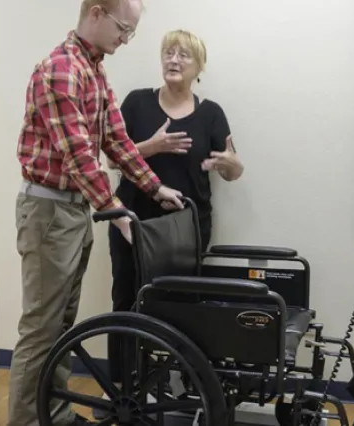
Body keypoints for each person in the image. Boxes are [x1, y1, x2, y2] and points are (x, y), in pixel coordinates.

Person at [7, 1, 185, 426]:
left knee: (63, 324)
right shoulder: (61, 69)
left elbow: (116, 141)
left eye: (131, 33)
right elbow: (79, 157)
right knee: (41, 329)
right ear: (97, 12)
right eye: (124, 29)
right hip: (49, 210)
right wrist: (115, 210)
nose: (125, 39)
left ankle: (57, 413)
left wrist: (154, 187)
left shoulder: (94, 68)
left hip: (71, 210)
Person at [95, 28, 244, 418]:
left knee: (180, 307)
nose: (173, 60)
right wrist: (152, 147)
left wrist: (230, 166)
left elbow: (232, 166)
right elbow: (113, 159)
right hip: (131, 222)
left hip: (186, 229)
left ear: (198, 67)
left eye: (183, 55)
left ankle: (177, 391)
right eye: (168, 53)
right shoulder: (137, 103)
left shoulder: (211, 112)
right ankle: (122, 395)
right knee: (125, 303)